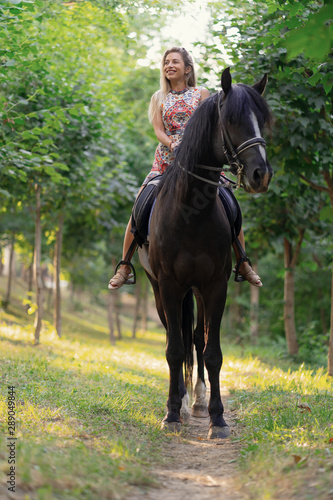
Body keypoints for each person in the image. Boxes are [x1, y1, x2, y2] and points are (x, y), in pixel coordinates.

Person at [108, 47, 262, 290]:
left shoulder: (201, 94)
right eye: (166, 62)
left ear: (187, 68)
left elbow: (211, 124)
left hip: (200, 162)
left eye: (175, 62)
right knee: (140, 203)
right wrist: (173, 143)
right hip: (167, 160)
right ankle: (125, 264)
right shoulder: (158, 97)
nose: (169, 65)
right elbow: (159, 130)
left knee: (229, 202)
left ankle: (242, 260)